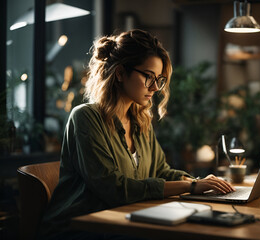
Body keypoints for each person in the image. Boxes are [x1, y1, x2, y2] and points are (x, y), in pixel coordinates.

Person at [40, 29, 234, 239]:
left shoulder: (141, 121)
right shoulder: (85, 118)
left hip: (123, 221)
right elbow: (113, 189)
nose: (155, 87)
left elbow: (161, 171)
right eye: (148, 76)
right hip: (77, 228)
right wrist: (191, 185)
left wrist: (202, 182)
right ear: (121, 73)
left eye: (159, 79)